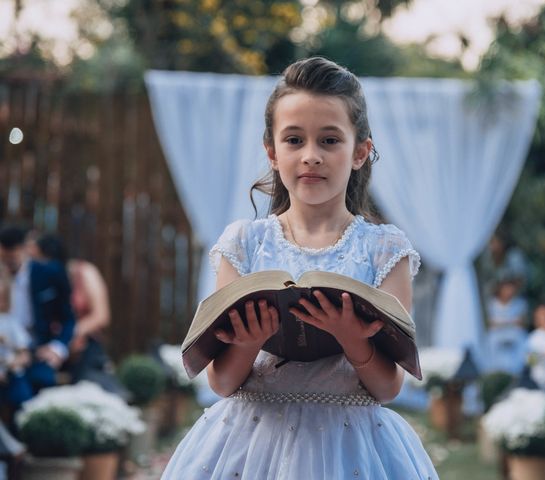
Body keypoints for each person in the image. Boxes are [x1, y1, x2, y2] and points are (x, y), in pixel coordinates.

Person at [162, 57, 438, 479]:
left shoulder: (386, 249)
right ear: (272, 152)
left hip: (352, 448)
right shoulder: (243, 244)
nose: (311, 156)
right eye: (294, 140)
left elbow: (388, 388)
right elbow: (220, 383)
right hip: (249, 444)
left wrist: (352, 339)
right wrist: (249, 342)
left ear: (360, 151)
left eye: (329, 141)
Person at [29, 234, 112, 384]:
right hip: (52, 343)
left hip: (84, 342)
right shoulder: (37, 279)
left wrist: (72, 334)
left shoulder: (84, 272)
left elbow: (101, 315)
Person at [0, 226, 75, 391]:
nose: (8, 263)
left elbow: (68, 317)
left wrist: (58, 348)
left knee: (41, 383)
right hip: (4, 353)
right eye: (4, 258)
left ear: (24, 249)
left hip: (39, 350)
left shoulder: (50, 273)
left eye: (12, 257)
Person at [0, 264, 32, 416]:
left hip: (11, 374)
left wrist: (14, 363)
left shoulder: (10, 322)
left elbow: (24, 354)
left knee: (21, 394)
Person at [486, 272, 528, 375]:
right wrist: (510, 322)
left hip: (515, 339)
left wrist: (501, 323)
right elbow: (490, 324)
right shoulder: (491, 304)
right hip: (495, 340)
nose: (509, 291)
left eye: (511, 288)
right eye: (506, 288)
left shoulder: (520, 303)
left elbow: (522, 323)